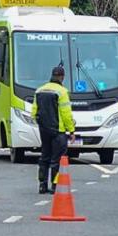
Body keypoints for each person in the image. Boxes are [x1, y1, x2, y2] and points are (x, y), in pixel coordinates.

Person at [32, 63, 75, 193]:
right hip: (58, 131)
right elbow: (66, 114)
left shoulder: (39, 90)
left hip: (44, 130)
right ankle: (55, 185)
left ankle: (42, 184)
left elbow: (34, 112)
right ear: (62, 77)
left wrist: (41, 124)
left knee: (44, 156)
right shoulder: (62, 92)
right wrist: (71, 130)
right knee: (57, 159)